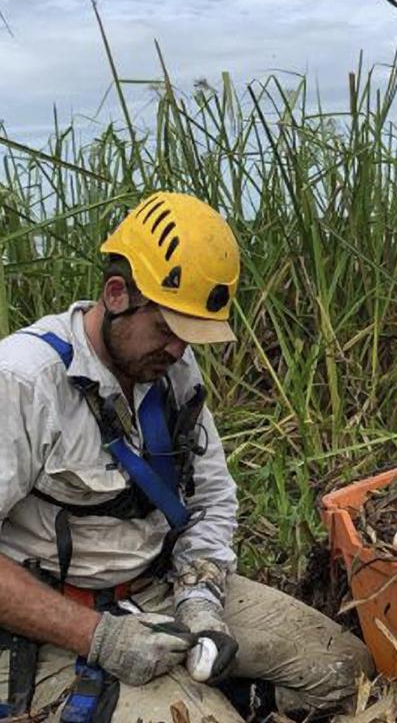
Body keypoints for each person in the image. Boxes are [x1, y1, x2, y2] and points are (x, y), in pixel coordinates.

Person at [0, 192, 373, 722]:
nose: (178, 350)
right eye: (168, 329)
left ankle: (208, 695)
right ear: (117, 294)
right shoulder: (23, 381)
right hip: (56, 621)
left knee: (347, 671)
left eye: (189, 335)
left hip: (161, 589)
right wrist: (100, 639)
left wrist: (200, 596)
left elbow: (214, 498)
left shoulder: (171, 369)